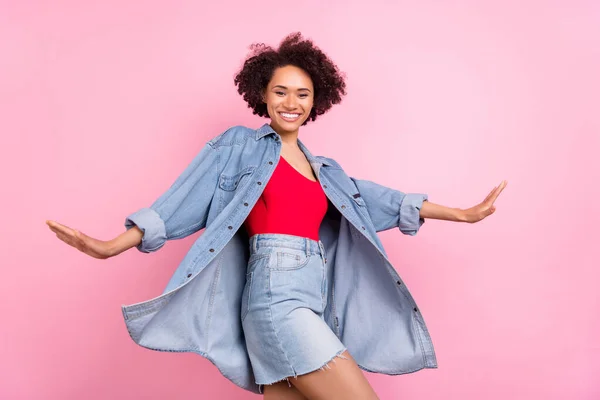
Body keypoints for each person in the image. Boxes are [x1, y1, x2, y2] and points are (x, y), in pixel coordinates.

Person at [46, 32, 507, 400]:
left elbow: (379, 199)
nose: (292, 102)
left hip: (313, 299)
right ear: (262, 96)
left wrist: (462, 214)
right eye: (281, 91)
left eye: (302, 94)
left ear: (316, 100)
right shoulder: (240, 147)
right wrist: (110, 245)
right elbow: (179, 202)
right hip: (275, 300)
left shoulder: (325, 170)